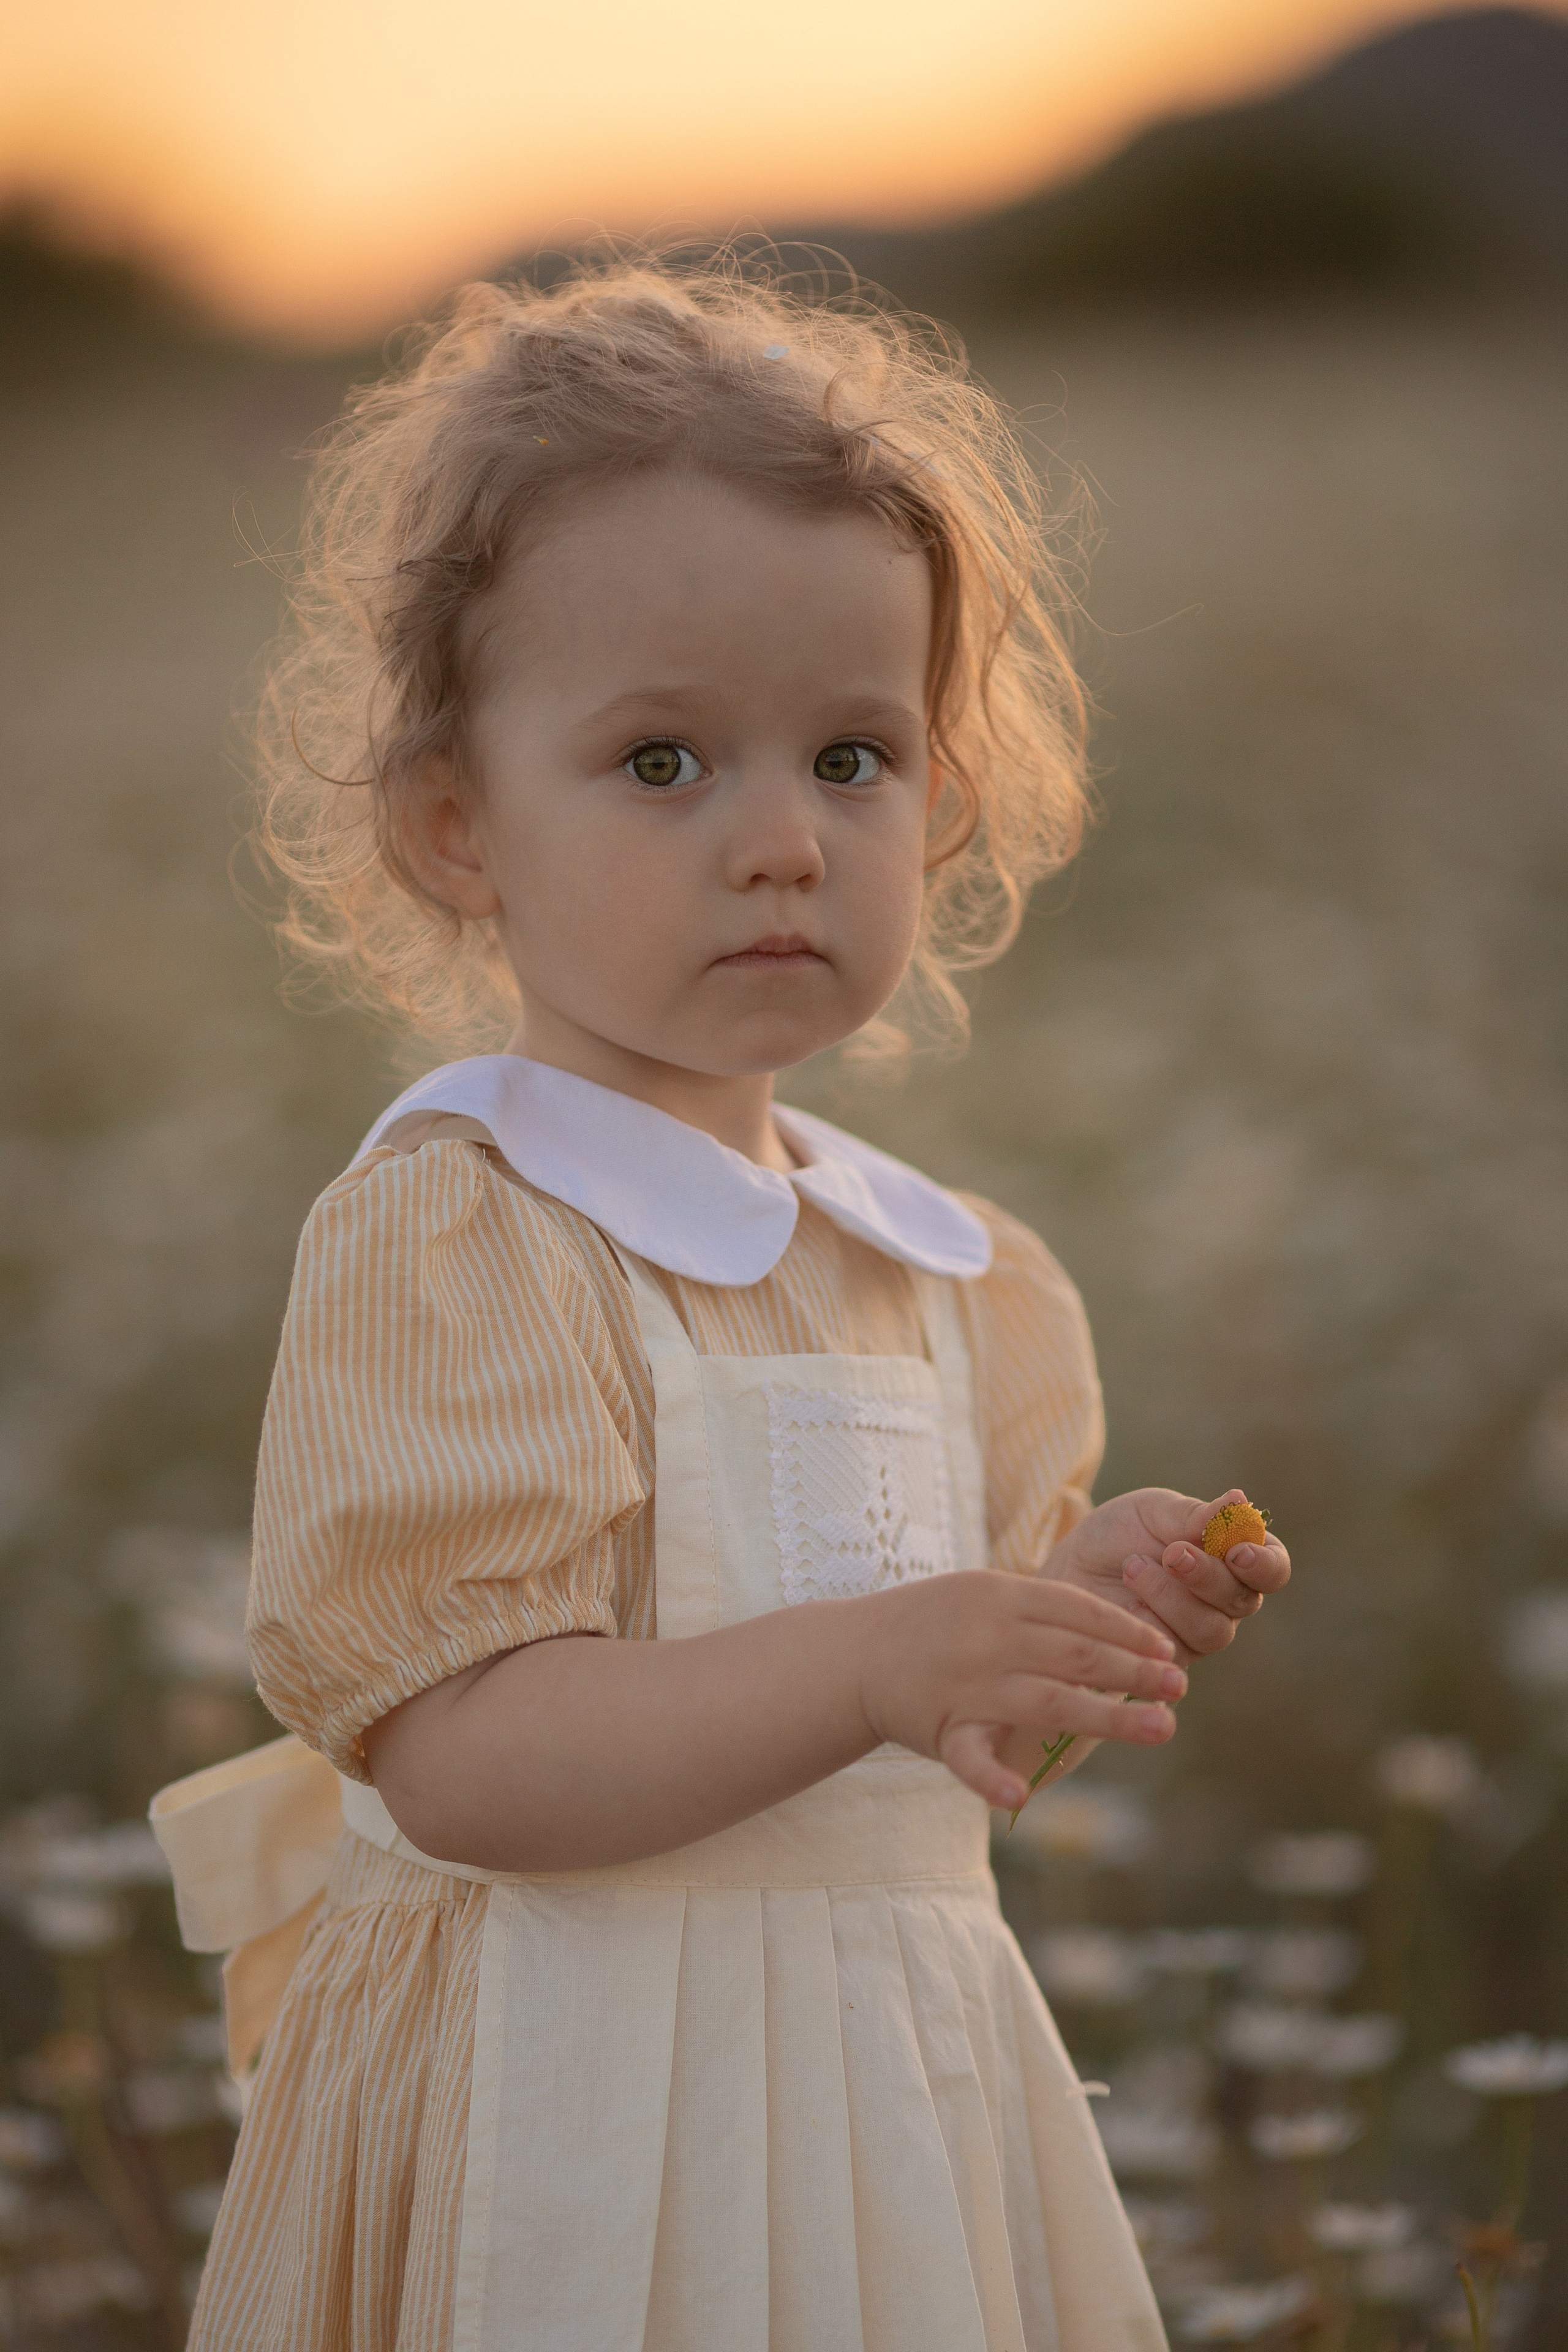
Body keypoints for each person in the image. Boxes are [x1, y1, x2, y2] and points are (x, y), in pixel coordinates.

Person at [155, 258, 1290, 2352]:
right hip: (573, 2114)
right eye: (665, 761)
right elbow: (465, 1761)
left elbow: (916, 1762)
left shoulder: (951, 1277)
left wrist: (1062, 1616)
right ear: (457, 824)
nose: (782, 841)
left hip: (883, 2106)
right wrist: (882, 1657)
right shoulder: (472, 1235)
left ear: (944, 797)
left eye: (853, 756)